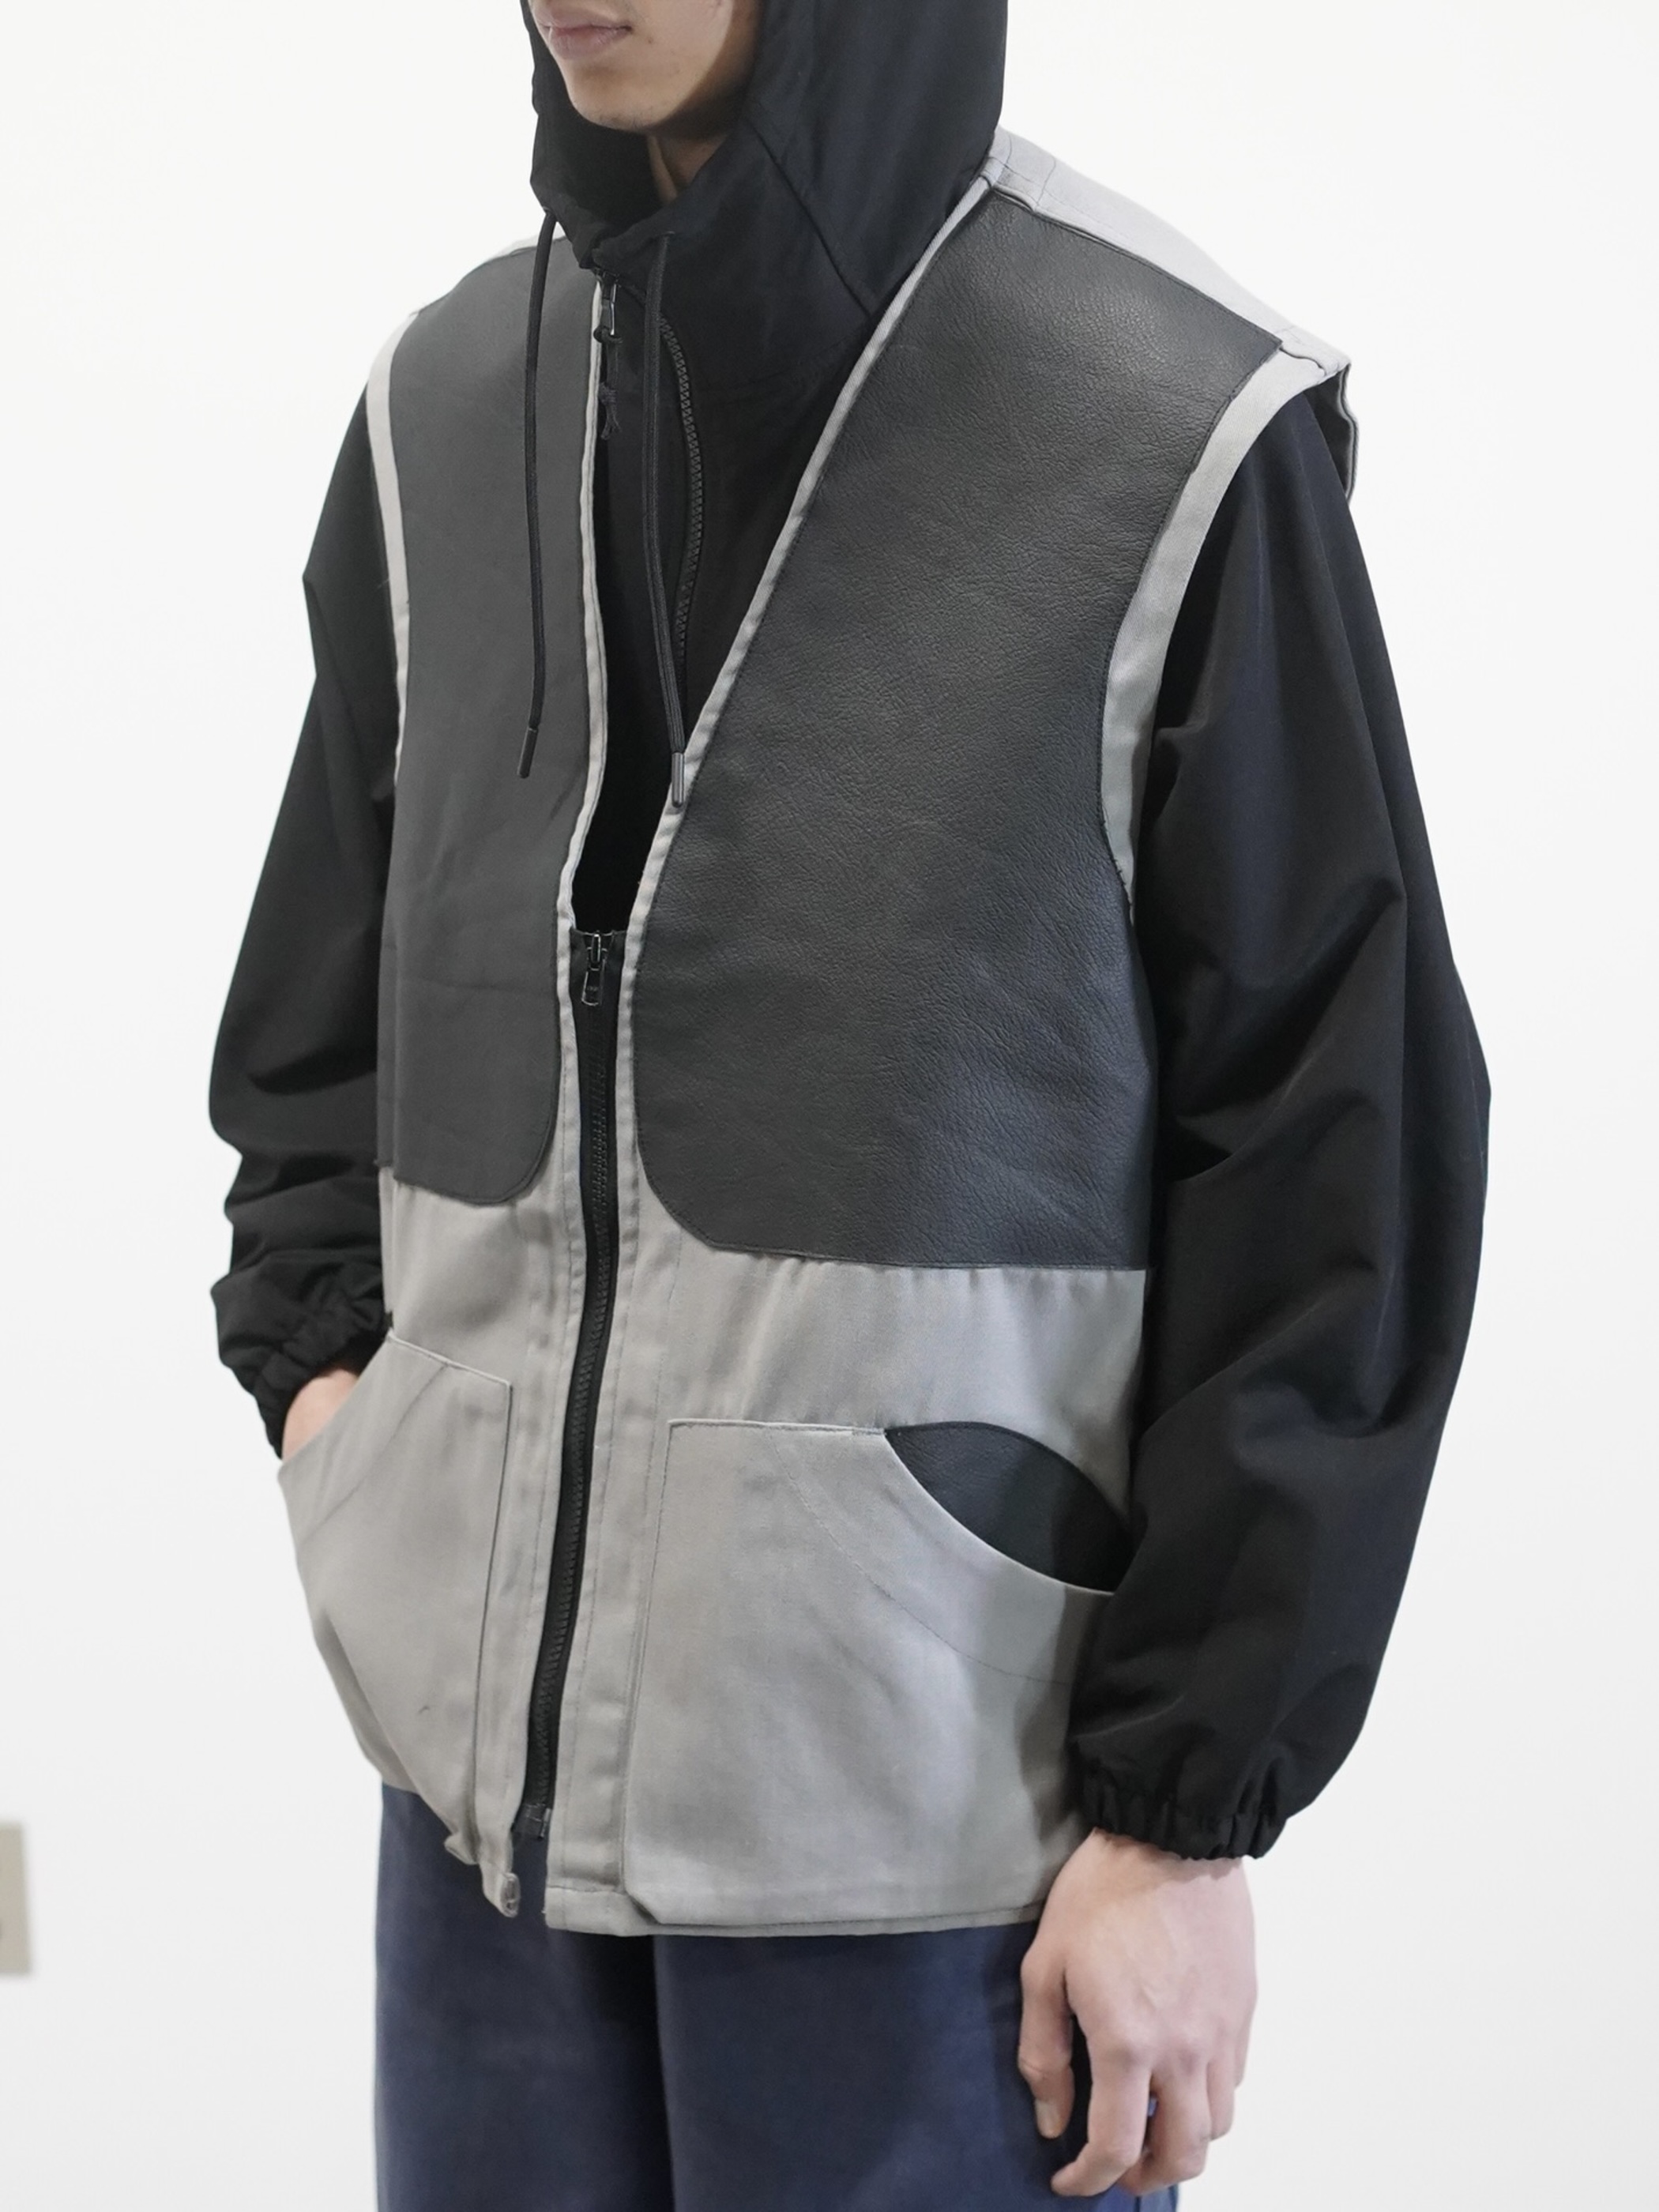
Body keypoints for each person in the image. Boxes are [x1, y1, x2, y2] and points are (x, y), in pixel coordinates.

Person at [209, 1, 1488, 2203]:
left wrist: (1181, 1821)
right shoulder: (446, 401)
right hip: (483, 1826)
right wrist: (340, 1406)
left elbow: (1331, 1155)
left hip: (940, 1850)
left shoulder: (1169, 421)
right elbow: (320, 1010)